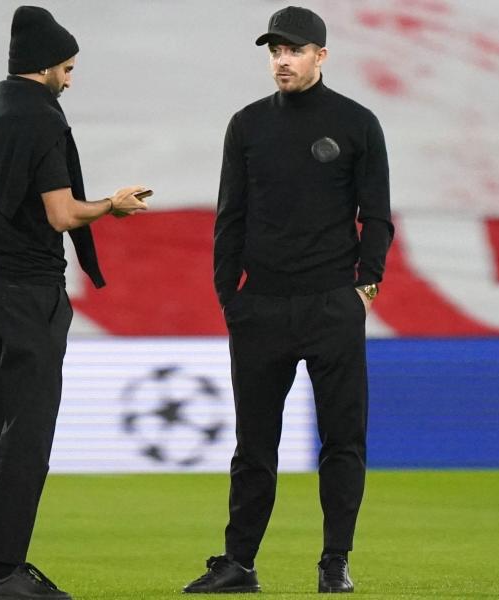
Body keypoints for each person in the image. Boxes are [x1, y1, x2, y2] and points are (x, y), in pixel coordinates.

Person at [182, 6, 393, 595]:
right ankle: (239, 564)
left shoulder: (357, 123)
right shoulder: (247, 125)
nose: (282, 59)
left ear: (321, 56)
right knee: (254, 446)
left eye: (295, 50)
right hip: (262, 309)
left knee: (343, 441)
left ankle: (335, 561)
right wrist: (231, 297)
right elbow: (231, 218)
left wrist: (365, 288)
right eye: (275, 49)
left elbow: (375, 215)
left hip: (332, 305)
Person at [0, 6, 149, 600]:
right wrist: (111, 205)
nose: (70, 76)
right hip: (27, 288)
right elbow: (62, 214)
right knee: (29, 433)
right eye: (67, 66)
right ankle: (8, 572)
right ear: (45, 65)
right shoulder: (40, 118)